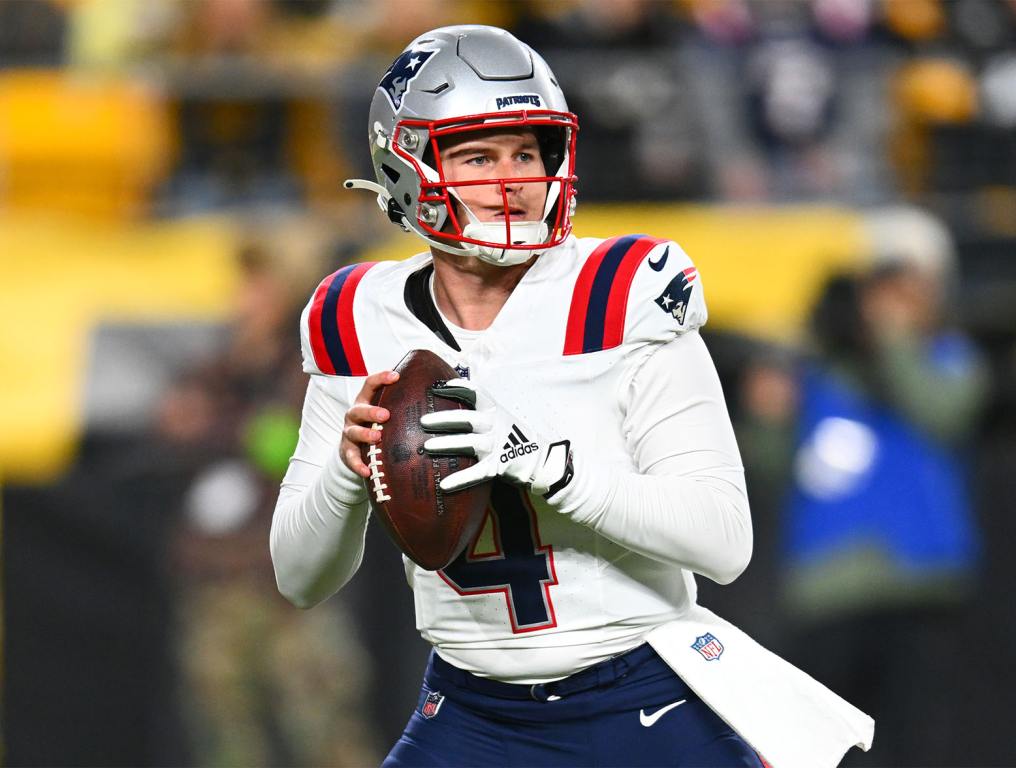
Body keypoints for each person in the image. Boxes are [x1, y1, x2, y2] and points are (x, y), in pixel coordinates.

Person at [270, 25, 873, 768]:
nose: (513, 178)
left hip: (640, 693)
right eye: (477, 155)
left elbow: (724, 543)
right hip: (472, 709)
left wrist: (549, 465)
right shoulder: (356, 313)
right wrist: (346, 473)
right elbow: (299, 579)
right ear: (407, 167)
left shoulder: (622, 292)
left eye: (528, 152)